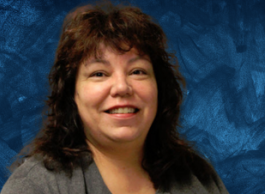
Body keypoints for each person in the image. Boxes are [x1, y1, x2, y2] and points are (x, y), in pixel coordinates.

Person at [1, 1, 229, 194]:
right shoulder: (34, 187)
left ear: (159, 88)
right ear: (72, 94)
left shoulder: (198, 178)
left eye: (137, 71)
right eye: (99, 73)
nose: (122, 87)